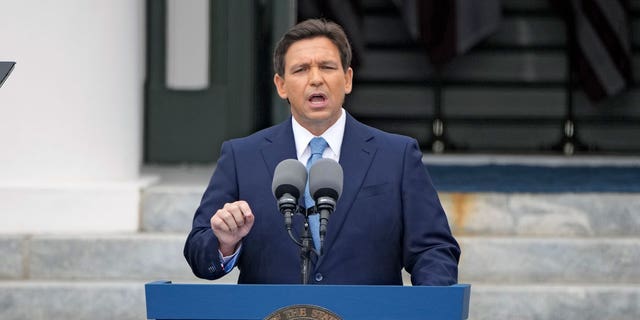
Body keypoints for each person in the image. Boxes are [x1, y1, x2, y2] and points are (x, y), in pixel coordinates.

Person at [184, 18, 460, 285]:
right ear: (281, 85)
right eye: (301, 69)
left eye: (327, 67)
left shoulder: (397, 156)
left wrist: (429, 305)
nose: (316, 79)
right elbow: (199, 253)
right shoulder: (241, 157)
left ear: (348, 79)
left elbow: (433, 249)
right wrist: (224, 242)